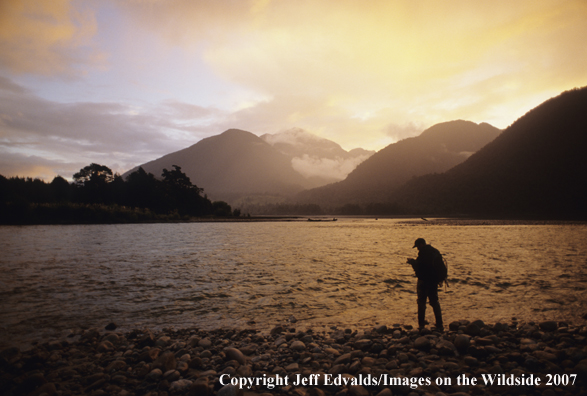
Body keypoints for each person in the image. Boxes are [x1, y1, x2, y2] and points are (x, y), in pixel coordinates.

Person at [407, 238, 444, 331]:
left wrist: (411, 261)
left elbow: (419, 267)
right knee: (434, 302)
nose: (417, 249)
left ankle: (421, 323)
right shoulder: (435, 251)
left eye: (417, 247)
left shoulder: (423, 253)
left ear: (421, 244)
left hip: (423, 281)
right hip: (434, 281)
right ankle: (439, 323)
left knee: (421, 302)